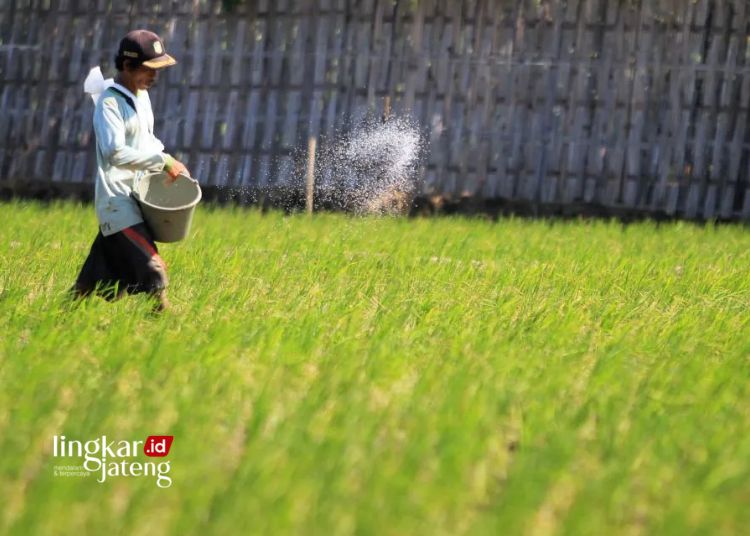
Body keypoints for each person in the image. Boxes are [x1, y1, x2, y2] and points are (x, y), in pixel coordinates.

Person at [70, 29, 189, 312]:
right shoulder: (110, 104)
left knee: (88, 284)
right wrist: (162, 162)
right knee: (153, 265)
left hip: (137, 198)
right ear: (127, 66)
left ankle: (54, 320)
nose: (154, 76)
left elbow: (146, 143)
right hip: (117, 203)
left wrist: (166, 163)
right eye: (149, 69)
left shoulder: (141, 97)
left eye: (157, 70)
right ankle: (164, 316)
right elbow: (115, 152)